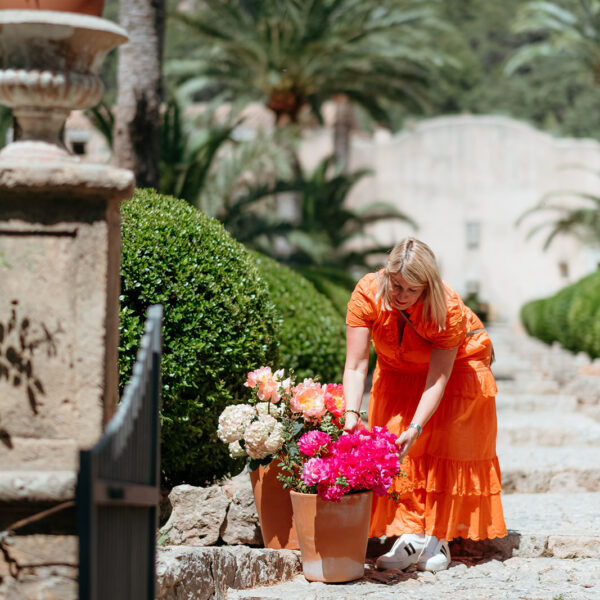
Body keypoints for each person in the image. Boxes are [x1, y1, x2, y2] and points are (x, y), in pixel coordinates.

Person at [343, 237, 507, 573]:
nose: (399, 295)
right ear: (386, 274)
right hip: (396, 368)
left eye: (410, 290)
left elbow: (437, 380)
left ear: (426, 288)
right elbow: (356, 365)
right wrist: (350, 414)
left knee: (445, 444)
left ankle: (438, 539)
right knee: (394, 444)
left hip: (460, 366)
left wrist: (417, 427)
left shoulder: (446, 306)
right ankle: (412, 533)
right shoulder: (367, 293)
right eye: (395, 284)